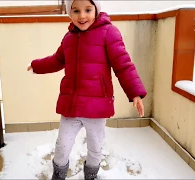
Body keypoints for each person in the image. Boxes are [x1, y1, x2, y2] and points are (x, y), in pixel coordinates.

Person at [27, 0, 147, 179]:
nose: (82, 16)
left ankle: (90, 176)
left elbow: (123, 65)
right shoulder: (69, 38)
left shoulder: (109, 33)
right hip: (71, 106)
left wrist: (134, 92)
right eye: (76, 11)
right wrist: (36, 65)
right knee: (62, 146)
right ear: (70, 13)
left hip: (96, 107)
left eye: (88, 10)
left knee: (95, 147)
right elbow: (57, 60)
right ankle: (58, 175)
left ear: (96, 10)